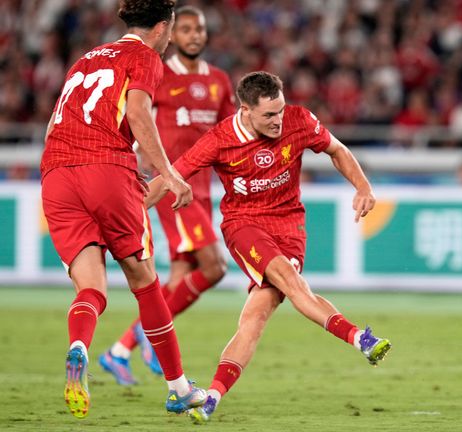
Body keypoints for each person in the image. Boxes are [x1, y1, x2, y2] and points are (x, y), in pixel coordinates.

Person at [143, 71, 392, 424]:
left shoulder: (299, 119)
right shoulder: (219, 139)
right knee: (291, 283)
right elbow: (170, 177)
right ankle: (359, 338)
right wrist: (132, 212)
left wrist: (363, 186)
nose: (278, 121)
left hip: (290, 225)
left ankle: (212, 396)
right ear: (245, 110)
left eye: (280, 111)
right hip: (244, 224)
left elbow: (336, 150)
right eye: (268, 116)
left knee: (255, 318)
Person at [39, 0, 207, 419]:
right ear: (162, 28)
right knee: (144, 279)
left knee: (91, 289)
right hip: (106, 169)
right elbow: (136, 113)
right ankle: (179, 388)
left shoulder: (86, 59)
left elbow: (51, 125)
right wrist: (167, 174)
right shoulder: (145, 56)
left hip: (55, 173)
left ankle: (79, 345)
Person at [99, 5, 235, 386]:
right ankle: (147, 336)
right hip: (173, 185)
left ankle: (120, 350)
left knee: (180, 277)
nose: (193, 35)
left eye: (200, 29)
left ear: (206, 34)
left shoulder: (221, 81)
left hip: (203, 188)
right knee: (214, 267)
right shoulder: (157, 71)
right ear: (172, 33)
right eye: (186, 28)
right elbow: (135, 116)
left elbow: (226, 133)